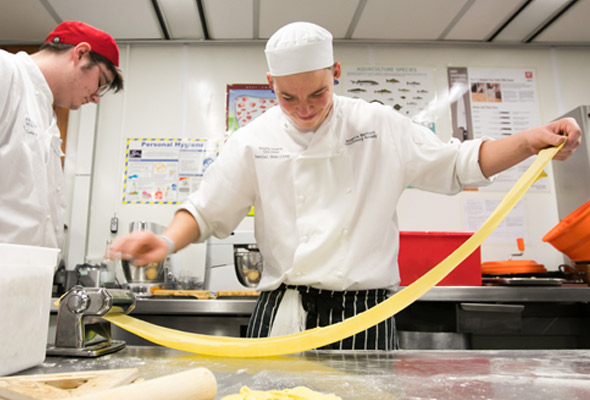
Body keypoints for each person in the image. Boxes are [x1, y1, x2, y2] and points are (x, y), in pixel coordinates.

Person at [111, 22, 581, 350]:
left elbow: (459, 163)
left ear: (335, 73)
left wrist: (526, 141)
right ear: (270, 83)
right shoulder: (253, 139)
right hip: (283, 308)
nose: (304, 108)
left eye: (317, 93)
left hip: (365, 311)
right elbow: (206, 209)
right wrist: (168, 238)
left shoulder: (378, 124)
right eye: (287, 96)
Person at [0, 21, 124, 250]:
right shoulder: (6, 72)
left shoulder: (46, 115)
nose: (96, 98)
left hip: (24, 273)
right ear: (81, 54)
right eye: (101, 83)